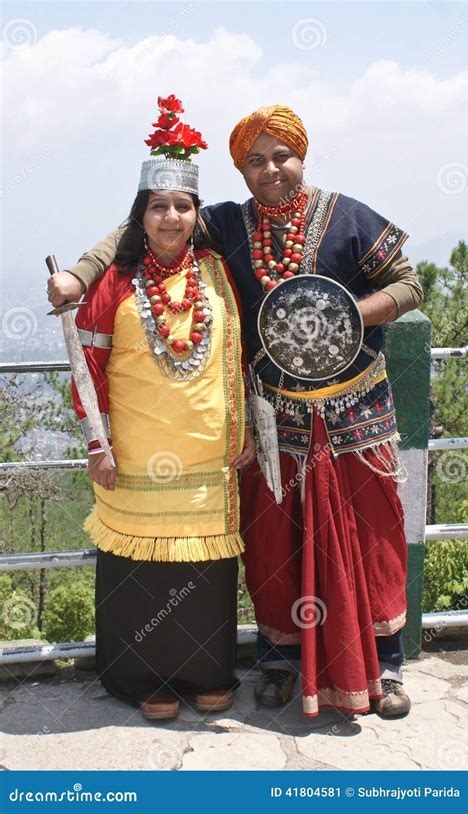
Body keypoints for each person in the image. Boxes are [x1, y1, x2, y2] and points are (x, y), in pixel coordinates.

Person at [48, 104, 423, 720]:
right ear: (239, 170)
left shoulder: (350, 217)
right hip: (274, 419)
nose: (271, 169)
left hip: (357, 412)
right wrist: (81, 274)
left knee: (369, 540)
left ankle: (385, 665)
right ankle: (279, 663)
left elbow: (409, 284)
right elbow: (136, 229)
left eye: (283, 156)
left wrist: (349, 315)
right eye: (255, 160)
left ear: (303, 156)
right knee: (276, 544)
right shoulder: (223, 223)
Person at [64, 95, 255, 722]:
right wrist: (98, 444)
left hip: (207, 458)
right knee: (141, 576)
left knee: (203, 581)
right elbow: (87, 372)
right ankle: (140, 679)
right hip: (136, 459)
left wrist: (248, 430)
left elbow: (243, 359)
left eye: (182, 206)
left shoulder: (219, 272)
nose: (171, 217)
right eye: (158, 206)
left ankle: (206, 671)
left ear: (197, 214)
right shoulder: (114, 282)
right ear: (140, 216)